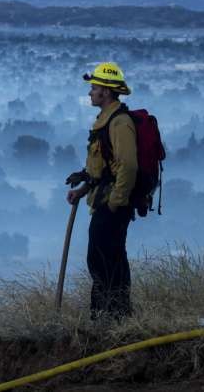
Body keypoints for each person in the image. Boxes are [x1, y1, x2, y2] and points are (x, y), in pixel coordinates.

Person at [66, 62, 137, 320]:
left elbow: (128, 165)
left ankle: (112, 316)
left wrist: (115, 202)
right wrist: (83, 189)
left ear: (106, 92)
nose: (90, 92)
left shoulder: (119, 123)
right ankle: (107, 316)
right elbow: (104, 169)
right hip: (104, 201)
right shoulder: (104, 121)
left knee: (105, 261)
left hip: (112, 205)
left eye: (94, 87)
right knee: (102, 259)